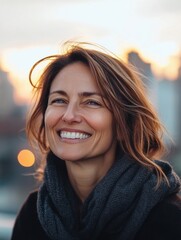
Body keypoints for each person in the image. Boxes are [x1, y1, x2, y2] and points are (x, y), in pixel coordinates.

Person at [11, 41, 181, 240]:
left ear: (123, 123)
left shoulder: (166, 220)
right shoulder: (34, 216)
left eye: (92, 102)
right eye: (59, 100)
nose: (69, 115)